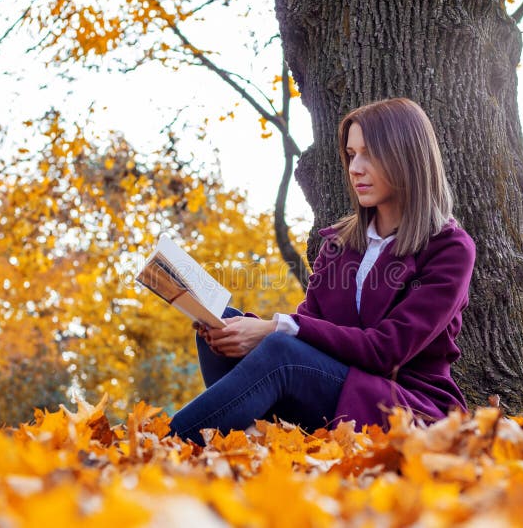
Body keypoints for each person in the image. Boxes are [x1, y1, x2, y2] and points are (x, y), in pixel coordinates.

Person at [168, 97, 476, 445]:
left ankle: (166, 445)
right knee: (221, 325)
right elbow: (312, 327)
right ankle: (222, 448)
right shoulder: (340, 244)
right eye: (351, 154)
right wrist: (246, 331)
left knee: (281, 351)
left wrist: (275, 328)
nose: (355, 167)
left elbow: (387, 350)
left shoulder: (449, 248)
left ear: (406, 157)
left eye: (369, 154)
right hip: (334, 391)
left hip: (404, 406)